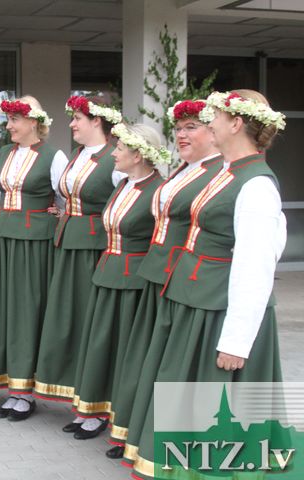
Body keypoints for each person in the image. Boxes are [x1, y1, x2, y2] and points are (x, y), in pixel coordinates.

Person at [128, 90, 287, 479]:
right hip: (198, 299)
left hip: (219, 309)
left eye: (214, 116)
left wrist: (236, 341)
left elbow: (257, 264)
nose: (209, 122)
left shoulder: (256, 184)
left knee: (215, 403)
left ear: (236, 123)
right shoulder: (228, 172)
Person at [106, 100, 221, 459]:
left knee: (166, 364)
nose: (181, 134)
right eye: (179, 128)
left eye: (191, 127)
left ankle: (158, 442)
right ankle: (133, 433)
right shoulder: (184, 170)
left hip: (180, 278)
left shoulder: (217, 172)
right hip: (156, 274)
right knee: (146, 359)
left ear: (214, 131)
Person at [0, 96, 67, 421]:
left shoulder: (53, 156)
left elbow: (65, 197)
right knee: (3, 310)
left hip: (32, 243)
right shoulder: (4, 153)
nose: (8, 126)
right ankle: (12, 388)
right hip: (2, 238)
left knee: (26, 311)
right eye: (8, 119)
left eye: (14, 120)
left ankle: (26, 392)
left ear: (33, 122)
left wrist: (50, 216)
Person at [65, 123, 166, 442]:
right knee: (100, 346)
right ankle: (94, 410)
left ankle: (124, 424)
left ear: (137, 155)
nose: (113, 154)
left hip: (133, 284)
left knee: (124, 353)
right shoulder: (122, 184)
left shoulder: (158, 191)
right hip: (107, 274)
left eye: (120, 149)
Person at [33, 96, 125, 432]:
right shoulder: (77, 155)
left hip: (93, 248)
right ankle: (82, 401)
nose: (71, 124)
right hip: (68, 243)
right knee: (69, 321)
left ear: (97, 121)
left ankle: (98, 408)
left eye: (77, 118)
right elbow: (64, 197)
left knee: (89, 322)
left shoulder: (114, 159)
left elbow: (125, 205)